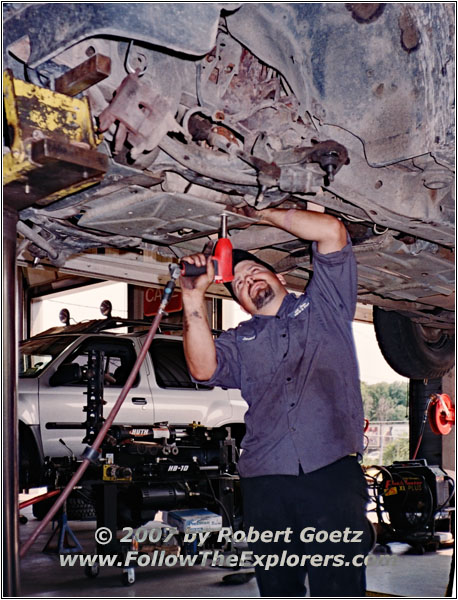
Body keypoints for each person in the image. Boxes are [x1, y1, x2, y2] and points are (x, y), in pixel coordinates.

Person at [180, 206, 372, 597]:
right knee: (278, 587)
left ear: (280, 277)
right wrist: (192, 296)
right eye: (239, 285)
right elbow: (202, 369)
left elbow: (332, 232)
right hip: (266, 482)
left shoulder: (326, 306)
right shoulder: (239, 340)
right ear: (239, 302)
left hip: (330, 473)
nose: (249, 282)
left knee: (339, 586)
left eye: (256, 272)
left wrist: (256, 211)